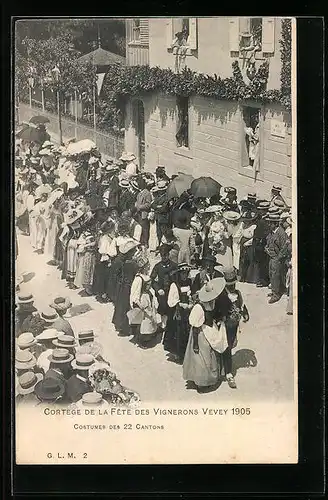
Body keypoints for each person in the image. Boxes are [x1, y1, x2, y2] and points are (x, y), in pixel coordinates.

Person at [183, 277, 226, 393]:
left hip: (209, 330)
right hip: (200, 334)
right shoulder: (199, 307)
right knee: (202, 358)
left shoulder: (212, 303)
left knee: (210, 355)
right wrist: (195, 344)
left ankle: (208, 379)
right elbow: (196, 327)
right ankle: (201, 383)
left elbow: (212, 315)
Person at [215, 268, 249, 389]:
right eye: (230, 284)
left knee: (229, 346)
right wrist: (220, 318)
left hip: (233, 326)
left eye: (233, 284)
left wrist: (245, 314)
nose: (232, 286)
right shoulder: (221, 295)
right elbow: (216, 311)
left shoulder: (238, 293)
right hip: (223, 326)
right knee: (225, 348)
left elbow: (242, 306)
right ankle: (227, 373)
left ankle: (225, 369)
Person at [165, 263, 193, 363]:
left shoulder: (189, 282)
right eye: (182, 273)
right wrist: (181, 305)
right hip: (178, 312)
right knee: (179, 332)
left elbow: (192, 294)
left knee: (188, 331)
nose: (184, 275)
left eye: (186, 273)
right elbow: (171, 301)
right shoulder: (175, 285)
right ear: (179, 274)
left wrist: (190, 302)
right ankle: (179, 354)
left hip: (188, 310)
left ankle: (186, 353)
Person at [112, 240, 141, 335]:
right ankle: (126, 328)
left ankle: (120, 325)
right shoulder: (133, 264)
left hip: (122, 286)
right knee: (127, 306)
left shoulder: (122, 262)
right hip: (129, 287)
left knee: (121, 306)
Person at [150, 244, 178, 332]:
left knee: (171, 308)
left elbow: (177, 279)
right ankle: (163, 326)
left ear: (168, 255)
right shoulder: (157, 266)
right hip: (162, 293)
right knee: (162, 308)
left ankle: (170, 326)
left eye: (165, 255)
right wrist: (158, 289)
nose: (164, 257)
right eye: (162, 255)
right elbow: (152, 280)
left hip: (171, 292)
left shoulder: (174, 266)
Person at [265, 213, 288, 304]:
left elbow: (284, 248)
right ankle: (277, 290)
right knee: (272, 274)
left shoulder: (281, 233)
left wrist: (279, 258)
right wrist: (266, 248)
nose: (269, 224)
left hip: (277, 258)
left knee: (275, 275)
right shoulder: (272, 232)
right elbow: (269, 241)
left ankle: (276, 294)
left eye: (270, 223)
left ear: (275, 223)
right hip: (271, 257)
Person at [253, 200, 271, 287]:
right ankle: (262, 279)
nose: (259, 211)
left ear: (264, 210)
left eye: (261, 209)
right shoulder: (262, 219)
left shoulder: (266, 220)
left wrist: (260, 241)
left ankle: (263, 280)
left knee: (263, 263)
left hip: (262, 244)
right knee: (261, 262)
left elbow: (266, 233)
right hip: (259, 243)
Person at [238, 211, 257, 283]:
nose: (246, 222)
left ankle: (249, 278)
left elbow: (253, 237)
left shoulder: (253, 227)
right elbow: (242, 234)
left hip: (249, 245)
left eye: (247, 220)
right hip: (243, 244)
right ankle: (242, 276)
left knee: (250, 260)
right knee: (243, 261)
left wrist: (247, 243)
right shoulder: (244, 226)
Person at [151, 180, 170, 249]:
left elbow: (164, 208)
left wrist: (157, 207)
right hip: (158, 217)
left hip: (163, 218)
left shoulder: (166, 197)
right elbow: (152, 205)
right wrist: (158, 206)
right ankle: (159, 245)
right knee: (158, 233)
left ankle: (165, 247)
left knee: (164, 233)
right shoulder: (158, 196)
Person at [135, 177, 152, 248]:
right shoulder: (139, 193)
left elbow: (148, 204)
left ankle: (146, 242)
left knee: (145, 229)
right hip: (139, 213)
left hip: (144, 214)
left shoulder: (147, 193)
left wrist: (140, 206)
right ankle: (141, 241)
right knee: (140, 228)